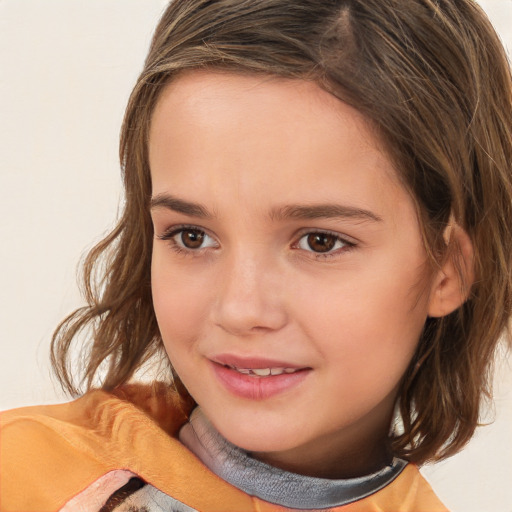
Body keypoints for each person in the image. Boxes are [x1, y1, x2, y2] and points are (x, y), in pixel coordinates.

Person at [2, 0, 511, 510]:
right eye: (192, 236)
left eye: (319, 241)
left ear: (450, 268)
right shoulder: (25, 477)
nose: (241, 309)